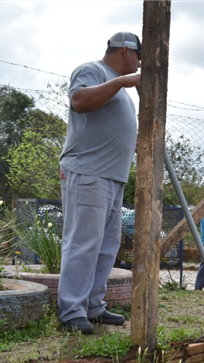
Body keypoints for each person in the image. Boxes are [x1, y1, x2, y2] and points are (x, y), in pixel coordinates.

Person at [57, 32, 142, 334]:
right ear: (124, 51)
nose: (140, 62)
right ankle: (71, 311)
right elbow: (79, 102)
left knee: (107, 247)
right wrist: (120, 82)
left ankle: (93, 306)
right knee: (83, 243)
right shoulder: (91, 71)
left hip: (113, 177)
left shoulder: (120, 89)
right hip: (87, 172)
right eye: (138, 56)